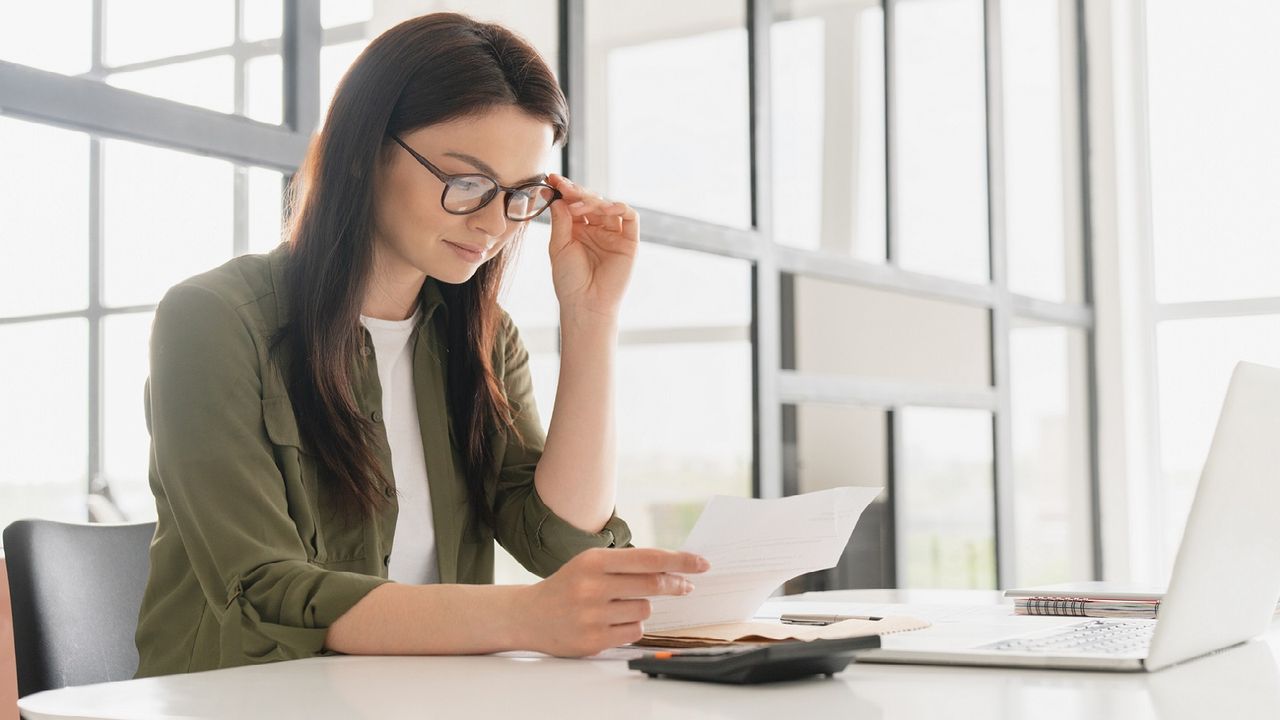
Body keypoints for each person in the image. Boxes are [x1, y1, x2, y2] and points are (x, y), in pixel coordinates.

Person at [133, 12, 709, 678]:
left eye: (519, 194)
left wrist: (590, 317)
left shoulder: (483, 339)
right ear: (362, 151)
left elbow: (561, 543)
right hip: (240, 701)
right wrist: (523, 617)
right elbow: (266, 591)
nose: (495, 223)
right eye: (467, 183)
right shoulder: (213, 320)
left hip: (420, 695)